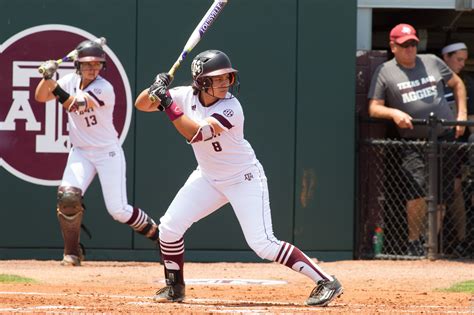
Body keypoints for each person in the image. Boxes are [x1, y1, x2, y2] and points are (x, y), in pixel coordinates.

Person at [135, 49, 343, 306]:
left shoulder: (231, 107)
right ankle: (174, 288)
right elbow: (141, 104)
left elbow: (195, 134)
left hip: (243, 178)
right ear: (201, 81)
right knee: (168, 228)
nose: (225, 83)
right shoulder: (182, 95)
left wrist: (167, 103)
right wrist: (156, 88)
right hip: (208, 177)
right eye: (218, 78)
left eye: (228, 77)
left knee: (263, 244)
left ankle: (326, 281)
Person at [34, 40, 160, 266]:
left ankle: (159, 236)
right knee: (68, 197)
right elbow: (41, 97)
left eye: (97, 64)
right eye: (87, 64)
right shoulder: (69, 80)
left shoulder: (104, 88)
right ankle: (72, 253)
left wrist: (52, 84)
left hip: (106, 152)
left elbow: (73, 105)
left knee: (118, 210)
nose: (93, 68)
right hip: (81, 152)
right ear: (78, 65)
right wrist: (47, 78)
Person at [368, 23, 467, 256]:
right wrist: (394, 113)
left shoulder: (432, 61)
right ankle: (414, 243)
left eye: (413, 44)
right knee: (417, 191)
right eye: (404, 45)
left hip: (444, 136)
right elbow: (373, 108)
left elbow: (457, 84)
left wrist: (461, 116)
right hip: (413, 141)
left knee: (442, 192)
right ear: (393, 46)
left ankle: (429, 244)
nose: (410, 49)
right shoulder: (385, 71)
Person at [441, 41, 474, 256]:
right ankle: (433, 243)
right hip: (437, 144)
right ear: (446, 58)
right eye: (458, 59)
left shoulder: (467, 83)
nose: (461, 64)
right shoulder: (433, 80)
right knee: (441, 193)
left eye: (464, 60)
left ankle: (462, 241)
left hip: (460, 144)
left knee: (456, 191)